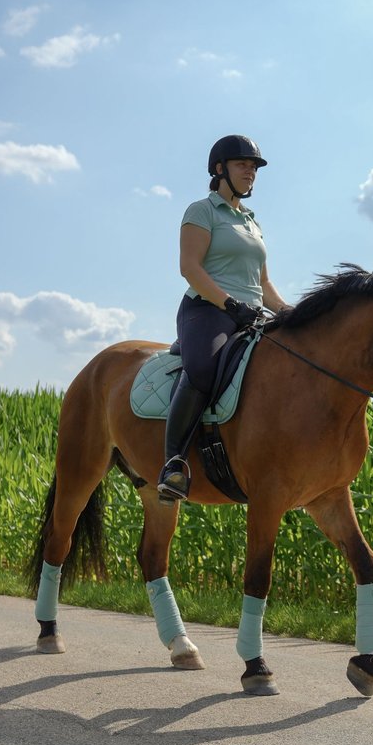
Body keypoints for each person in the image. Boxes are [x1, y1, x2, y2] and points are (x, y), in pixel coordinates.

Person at [157, 134, 291, 503]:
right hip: (206, 311)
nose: (251, 172)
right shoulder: (202, 211)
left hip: (251, 315)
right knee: (202, 368)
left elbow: (262, 283)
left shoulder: (252, 222)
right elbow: (190, 268)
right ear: (219, 169)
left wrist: (289, 312)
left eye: (254, 167)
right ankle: (173, 465)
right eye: (243, 165)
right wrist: (229, 304)